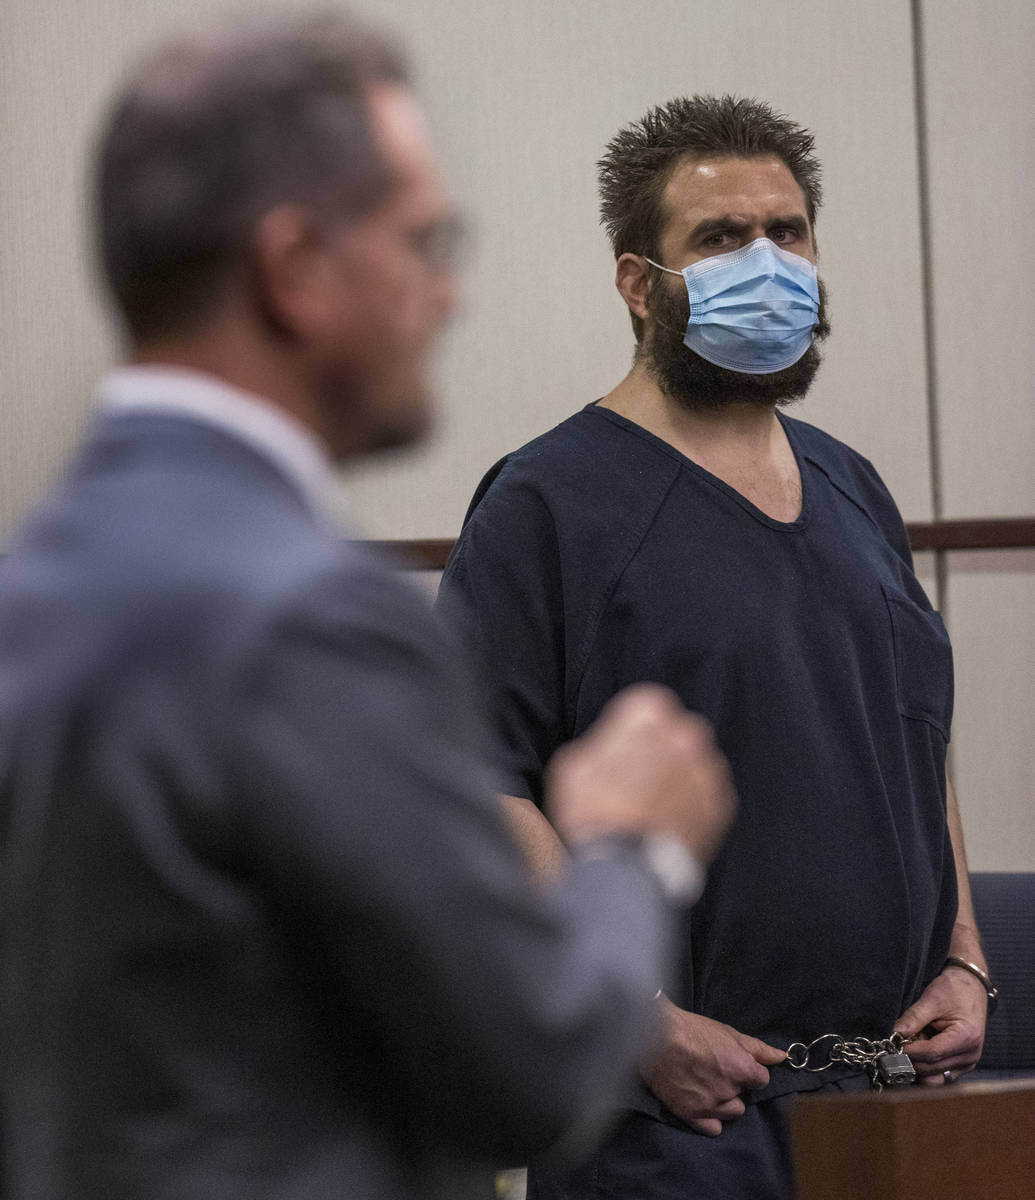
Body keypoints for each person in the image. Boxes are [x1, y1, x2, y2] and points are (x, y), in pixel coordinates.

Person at [0, 23, 737, 1200]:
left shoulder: (43, 575)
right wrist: (628, 848)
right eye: (423, 242)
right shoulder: (308, 620)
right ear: (294, 270)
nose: (446, 296)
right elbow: (530, 1072)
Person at [440, 95, 996, 1199]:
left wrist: (966, 958)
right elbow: (472, 789)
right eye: (721, 238)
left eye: (786, 233)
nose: (766, 262)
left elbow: (913, 739)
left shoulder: (855, 486)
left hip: (896, 1104)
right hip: (681, 1126)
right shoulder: (548, 503)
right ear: (640, 282)